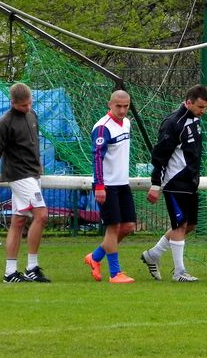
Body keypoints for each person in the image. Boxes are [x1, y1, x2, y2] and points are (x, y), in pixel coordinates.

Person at [140, 85, 207, 282]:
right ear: (188, 102)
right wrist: (156, 185)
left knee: (190, 225)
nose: (203, 111)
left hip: (191, 182)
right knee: (179, 225)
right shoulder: (172, 123)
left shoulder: (196, 119)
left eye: (205, 107)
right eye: (200, 107)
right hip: (174, 183)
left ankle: (152, 255)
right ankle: (179, 272)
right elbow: (160, 155)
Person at [0, 82, 49, 283]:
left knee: (18, 220)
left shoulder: (32, 116)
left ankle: (10, 272)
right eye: (23, 106)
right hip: (19, 175)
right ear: (13, 103)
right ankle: (32, 266)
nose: (27, 108)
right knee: (41, 215)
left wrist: (39, 167)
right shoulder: (5, 122)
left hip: (32, 175)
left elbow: (34, 145)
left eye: (29, 104)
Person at [83, 90, 136, 284]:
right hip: (107, 185)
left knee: (128, 225)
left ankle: (95, 257)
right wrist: (99, 185)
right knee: (113, 227)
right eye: (118, 106)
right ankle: (115, 273)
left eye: (126, 106)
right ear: (110, 105)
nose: (122, 110)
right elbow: (97, 157)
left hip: (122, 183)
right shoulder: (102, 128)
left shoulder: (127, 123)